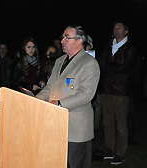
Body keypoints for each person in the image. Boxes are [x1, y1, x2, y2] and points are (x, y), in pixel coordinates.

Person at [36, 26, 100, 168]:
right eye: (63, 37)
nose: (62, 41)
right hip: (56, 125)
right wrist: (36, 101)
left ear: (79, 41)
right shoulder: (59, 61)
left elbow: (87, 93)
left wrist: (59, 104)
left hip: (76, 128)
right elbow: (49, 87)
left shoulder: (89, 63)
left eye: (67, 37)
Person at [99, 21, 137, 165]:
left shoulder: (130, 48)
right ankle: (109, 149)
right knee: (107, 122)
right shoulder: (109, 45)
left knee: (121, 124)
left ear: (126, 31)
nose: (116, 30)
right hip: (105, 89)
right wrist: (112, 66)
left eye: (119, 27)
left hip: (121, 91)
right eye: (114, 27)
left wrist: (107, 66)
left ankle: (121, 153)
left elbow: (123, 68)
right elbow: (101, 62)